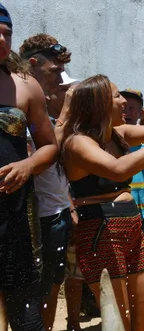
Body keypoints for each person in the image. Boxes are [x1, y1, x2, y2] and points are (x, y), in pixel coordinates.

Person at [59, 74, 144, 331]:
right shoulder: (77, 142)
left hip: (131, 228)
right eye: (117, 96)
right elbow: (118, 169)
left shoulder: (117, 133)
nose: (123, 102)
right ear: (99, 104)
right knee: (118, 322)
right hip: (101, 231)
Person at [0, 3, 58, 330]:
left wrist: (27, 165)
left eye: (7, 32)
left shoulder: (24, 84)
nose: (2, 39)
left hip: (14, 222)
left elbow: (49, 146)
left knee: (27, 319)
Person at [19, 33, 76, 330]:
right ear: (32, 65)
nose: (59, 79)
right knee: (29, 292)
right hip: (32, 220)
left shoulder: (42, 112)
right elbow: (40, 160)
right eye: (54, 71)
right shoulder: (19, 106)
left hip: (55, 215)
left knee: (52, 287)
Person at [120, 89, 144, 256]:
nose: (127, 112)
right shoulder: (110, 141)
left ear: (140, 111)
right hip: (119, 214)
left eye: (132, 108)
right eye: (124, 107)